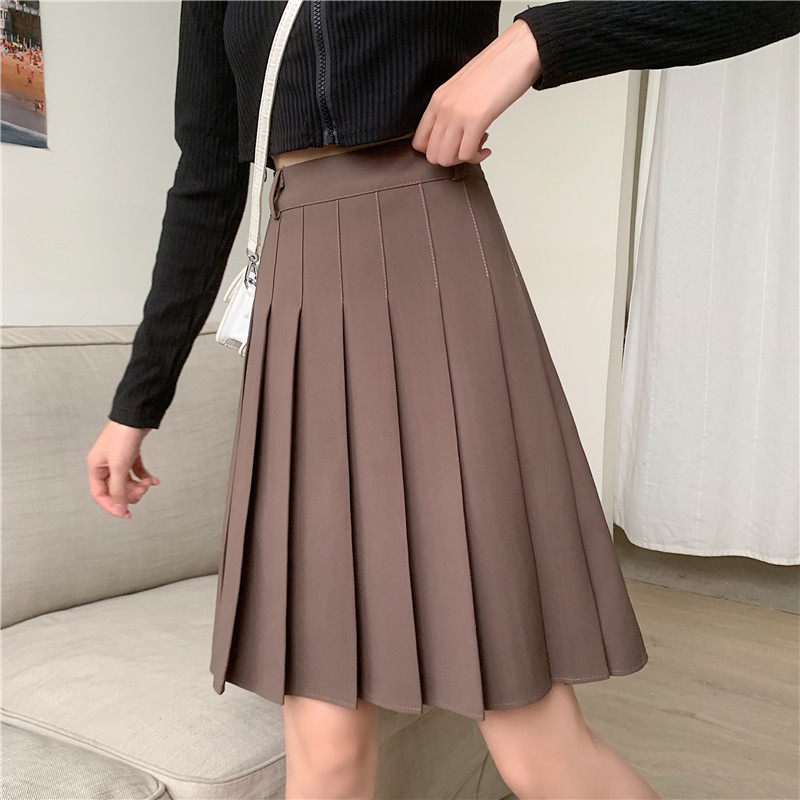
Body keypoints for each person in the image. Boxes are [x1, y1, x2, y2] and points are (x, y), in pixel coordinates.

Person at [86, 3, 800, 798]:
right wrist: (137, 401)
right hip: (302, 297)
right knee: (323, 742)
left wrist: (532, 44)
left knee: (533, 740)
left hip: (433, 262)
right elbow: (208, 176)